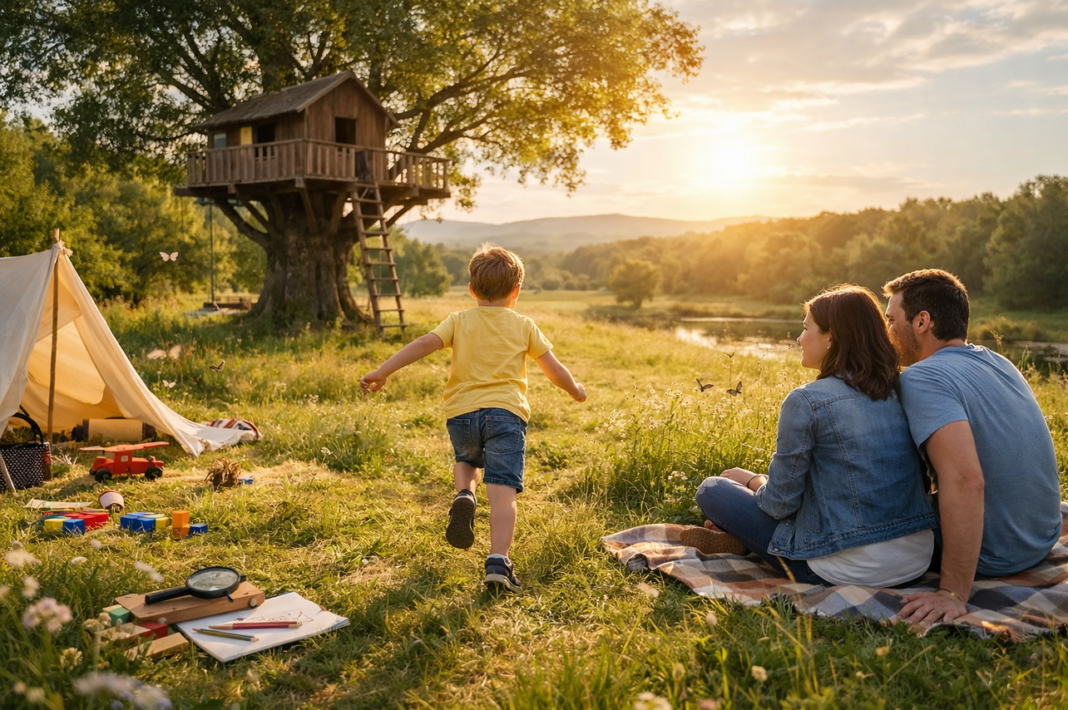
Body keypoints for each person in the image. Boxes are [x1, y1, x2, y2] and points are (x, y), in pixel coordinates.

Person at [360, 243, 586, 592]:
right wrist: (575, 390)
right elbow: (554, 370)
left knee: (466, 460)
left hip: (462, 413)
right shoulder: (524, 325)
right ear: (516, 291)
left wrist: (383, 370)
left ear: (471, 289)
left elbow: (423, 343)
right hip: (507, 414)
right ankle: (498, 563)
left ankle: (465, 493)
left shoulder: (459, 320)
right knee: (503, 492)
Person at [687, 285, 937, 587]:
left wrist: (753, 481)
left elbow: (779, 506)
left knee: (713, 489)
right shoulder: (904, 388)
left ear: (832, 337)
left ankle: (740, 537)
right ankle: (739, 537)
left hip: (844, 567)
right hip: (917, 559)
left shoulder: (806, 400)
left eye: (806, 328)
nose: (799, 338)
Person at [885, 270, 1061, 624]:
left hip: (996, 553)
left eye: (891, 319)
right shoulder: (997, 361)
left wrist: (952, 593)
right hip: (1040, 538)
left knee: (860, 516)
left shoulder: (923, 377)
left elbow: (966, 481)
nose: (886, 330)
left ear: (921, 322)